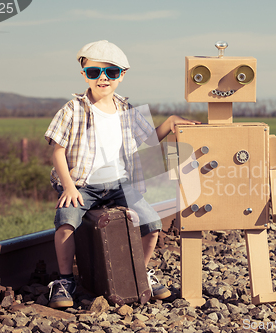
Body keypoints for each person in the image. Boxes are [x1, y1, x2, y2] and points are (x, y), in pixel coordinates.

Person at [44, 40, 200, 308]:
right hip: (83, 184)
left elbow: (149, 139)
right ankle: (65, 280)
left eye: (111, 73)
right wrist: (68, 187)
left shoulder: (127, 110)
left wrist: (170, 122)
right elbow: (58, 151)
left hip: (120, 185)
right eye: (94, 72)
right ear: (84, 74)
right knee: (67, 221)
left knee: (152, 225)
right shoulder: (73, 110)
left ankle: (140, 273)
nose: (102, 78)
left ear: (122, 75)